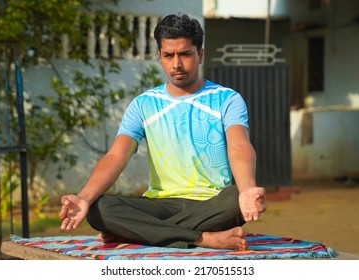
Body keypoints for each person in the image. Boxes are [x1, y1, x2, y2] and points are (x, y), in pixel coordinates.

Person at [59, 13, 267, 251]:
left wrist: (248, 189)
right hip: (159, 204)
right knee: (97, 209)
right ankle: (203, 239)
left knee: (235, 200)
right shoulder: (144, 104)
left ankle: (142, 232)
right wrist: (83, 198)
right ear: (160, 57)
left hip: (212, 203)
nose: (176, 65)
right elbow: (116, 155)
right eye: (168, 56)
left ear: (200, 55)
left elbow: (239, 145)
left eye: (185, 54)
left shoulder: (227, 99)